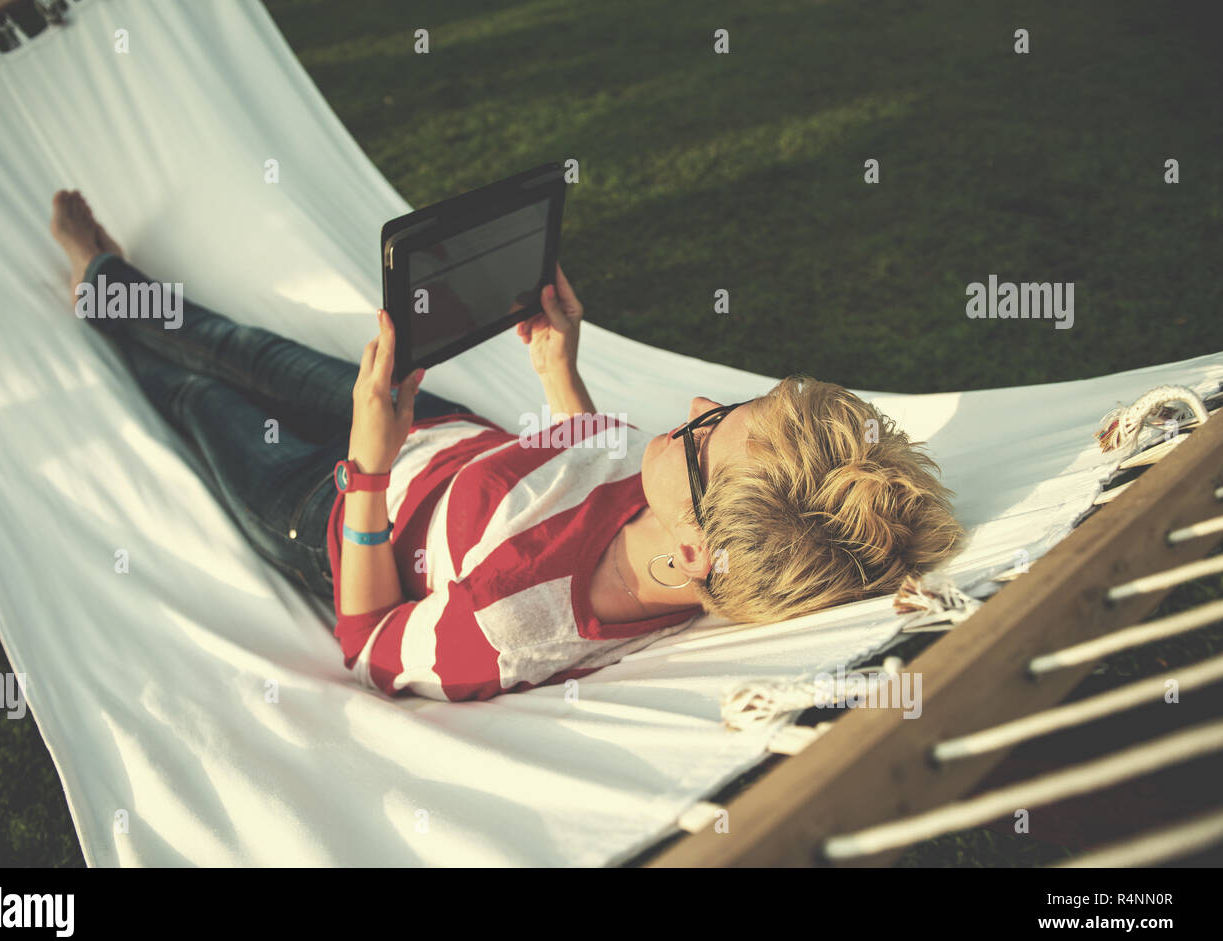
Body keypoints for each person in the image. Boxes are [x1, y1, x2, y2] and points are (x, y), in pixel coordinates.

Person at [50, 189, 965, 702]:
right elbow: (590, 461)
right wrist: (559, 366)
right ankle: (112, 280)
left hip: (331, 510)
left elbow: (369, 642)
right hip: (439, 433)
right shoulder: (689, 529)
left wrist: (368, 467)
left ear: (691, 551)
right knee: (243, 348)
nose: (690, 400)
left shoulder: (511, 627)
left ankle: (105, 303)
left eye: (706, 424)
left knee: (198, 394)